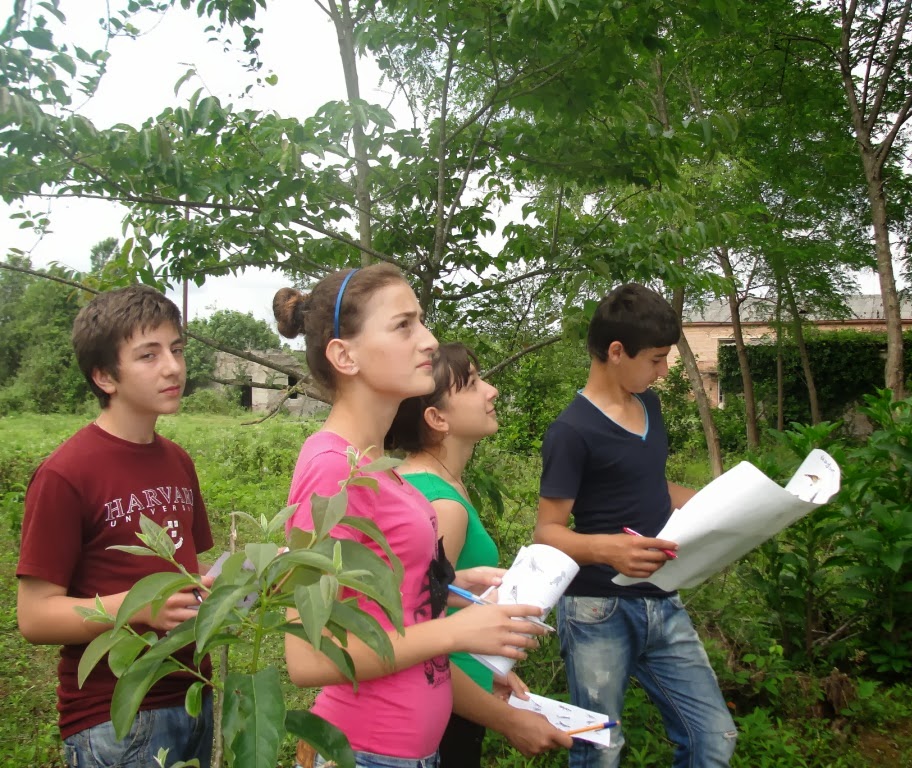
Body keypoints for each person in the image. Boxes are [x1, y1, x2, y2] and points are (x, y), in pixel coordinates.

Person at [275, 265, 548, 768]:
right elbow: (309, 657)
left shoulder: (380, 466)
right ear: (345, 356)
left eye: (421, 321)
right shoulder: (333, 468)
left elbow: (383, 608)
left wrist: (451, 587)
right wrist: (457, 632)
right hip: (364, 752)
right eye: (403, 325)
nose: (429, 340)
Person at [534, 283, 738, 767]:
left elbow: (648, 486)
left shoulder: (649, 406)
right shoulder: (570, 432)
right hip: (596, 608)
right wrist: (609, 550)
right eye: (656, 360)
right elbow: (547, 532)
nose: (663, 372)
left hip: (663, 599)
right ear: (616, 351)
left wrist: (725, 506)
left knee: (714, 737)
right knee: (599, 750)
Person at [16, 285, 215, 768]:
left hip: (194, 694)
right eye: (149, 355)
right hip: (117, 717)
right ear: (105, 376)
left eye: (176, 349)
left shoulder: (177, 461)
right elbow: (35, 617)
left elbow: (189, 569)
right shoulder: (66, 473)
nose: (172, 367)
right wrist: (139, 608)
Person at [386, 342, 573, 766]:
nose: (492, 390)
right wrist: (507, 721)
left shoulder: (429, 482)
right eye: (471, 384)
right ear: (437, 419)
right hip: (445, 710)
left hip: (459, 694)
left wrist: (489, 671)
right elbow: (418, 645)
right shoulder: (442, 506)